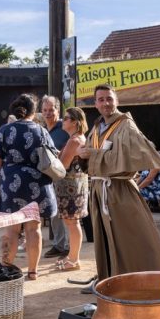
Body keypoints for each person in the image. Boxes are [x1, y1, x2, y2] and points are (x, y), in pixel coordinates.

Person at [77, 84, 160, 280]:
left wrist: (93, 155)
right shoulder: (96, 126)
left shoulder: (126, 125)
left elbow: (133, 155)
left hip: (120, 191)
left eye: (109, 98)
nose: (106, 103)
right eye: (101, 99)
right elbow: (93, 156)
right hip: (99, 190)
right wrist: (82, 155)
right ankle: (109, 278)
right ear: (95, 103)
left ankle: (139, 280)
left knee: (131, 238)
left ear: (116, 101)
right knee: (105, 239)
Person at [0, 93, 57, 281]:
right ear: (34, 111)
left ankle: (8, 268)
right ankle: (33, 271)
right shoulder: (42, 131)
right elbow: (52, 158)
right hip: (37, 183)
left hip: (11, 184)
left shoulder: (4, 130)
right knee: (33, 229)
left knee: (12, 231)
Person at [53, 107, 90, 271]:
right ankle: (72, 257)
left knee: (72, 223)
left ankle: (74, 260)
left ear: (75, 122)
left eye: (66, 118)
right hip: (76, 186)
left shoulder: (74, 140)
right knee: (73, 223)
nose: (63, 120)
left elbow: (63, 165)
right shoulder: (79, 138)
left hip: (70, 187)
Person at [41, 95, 70, 259]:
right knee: (54, 212)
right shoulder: (44, 130)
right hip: (49, 177)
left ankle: (68, 247)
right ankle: (59, 245)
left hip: (65, 176)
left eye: (51, 110)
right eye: (44, 110)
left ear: (58, 110)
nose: (48, 113)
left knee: (67, 213)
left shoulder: (65, 128)